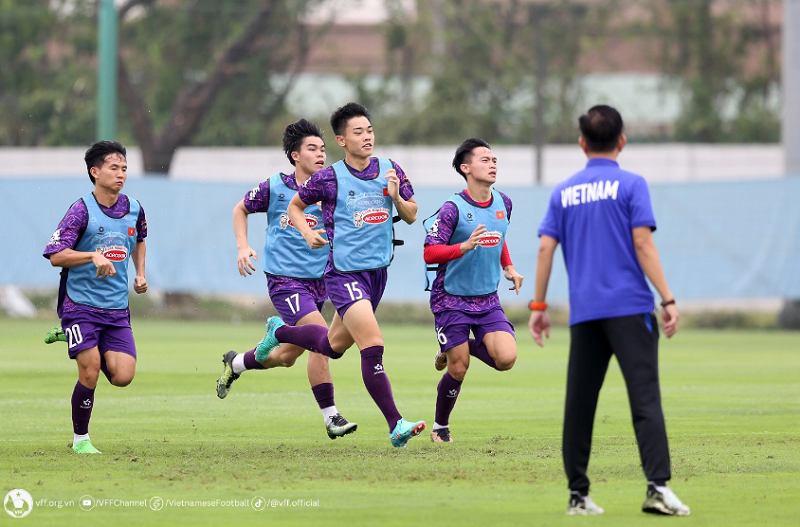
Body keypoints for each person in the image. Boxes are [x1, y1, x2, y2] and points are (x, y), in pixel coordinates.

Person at [528, 105, 690, 516]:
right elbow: (643, 244)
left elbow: (546, 247)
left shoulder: (563, 191)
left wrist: (539, 306)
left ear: (582, 143)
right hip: (630, 309)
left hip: (585, 313)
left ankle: (578, 495)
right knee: (645, 401)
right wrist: (668, 298)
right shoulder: (632, 184)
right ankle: (657, 488)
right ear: (622, 140)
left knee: (580, 403)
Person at [256, 102, 427, 448]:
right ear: (341, 140)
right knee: (373, 345)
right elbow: (295, 206)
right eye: (358, 132)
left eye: (370, 130)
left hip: (378, 275)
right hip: (344, 275)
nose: (367, 137)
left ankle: (281, 331)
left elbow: (411, 215)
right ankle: (396, 425)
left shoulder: (391, 169)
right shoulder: (329, 177)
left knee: (331, 347)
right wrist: (306, 232)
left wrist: (395, 196)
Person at [214, 119, 357, 440]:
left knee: (287, 357)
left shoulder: (330, 187)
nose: (320, 154)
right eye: (312, 148)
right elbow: (240, 209)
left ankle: (237, 363)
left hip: (320, 282)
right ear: (295, 156)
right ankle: (332, 417)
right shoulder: (275, 187)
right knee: (322, 341)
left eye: (323, 148)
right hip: (285, 281)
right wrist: (243, 246)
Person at [43, 141, 148, 454]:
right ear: (95, 171)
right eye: (114, 168)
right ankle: (81, 441)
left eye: (124, 168)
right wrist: (91, 256)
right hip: (79, 305)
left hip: (116, 309)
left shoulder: (134, 208)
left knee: (123, 376)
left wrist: (140, 273)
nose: (121, 174)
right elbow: (56, 256)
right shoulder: (80, 211)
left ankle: (75, 340)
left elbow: (140, 239)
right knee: (89, 370)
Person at [422, 138, 523, 442]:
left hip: (487, 299)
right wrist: (461, 247)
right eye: (485, 160)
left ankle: (454, 344)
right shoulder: (453, 208)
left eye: (494, 160)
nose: (492, 164)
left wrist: (509, 267)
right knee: (459, 366)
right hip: (450, 298)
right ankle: (440, 428)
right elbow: (430, 253)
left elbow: (498, 236)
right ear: (466, 168)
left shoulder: (504, 203)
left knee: (506, 359)